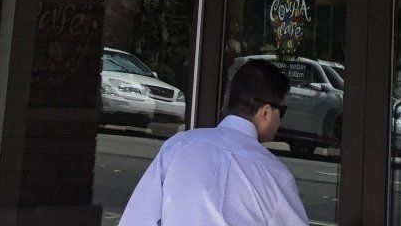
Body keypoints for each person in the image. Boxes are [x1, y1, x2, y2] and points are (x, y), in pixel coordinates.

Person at [120, 58, 309, 226]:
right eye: (282, 111)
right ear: (266, 112)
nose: (281, 119)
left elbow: (137, 218)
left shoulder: (177, 147)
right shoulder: (274, 174)